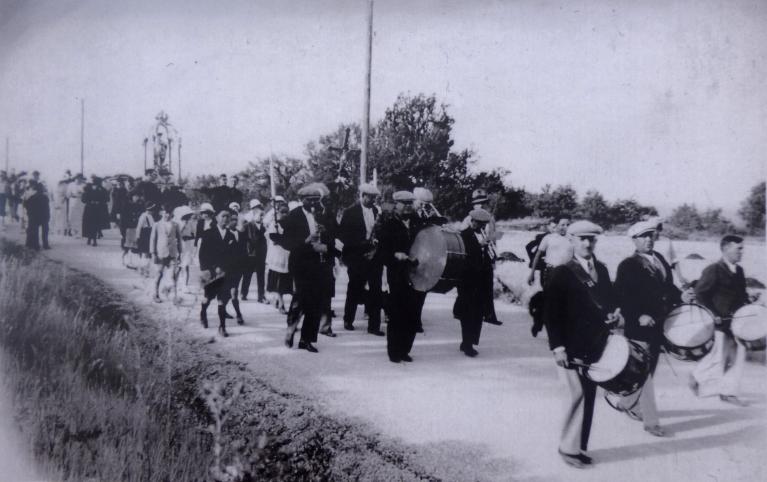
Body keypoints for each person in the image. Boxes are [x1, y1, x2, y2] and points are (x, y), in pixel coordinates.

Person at [543, 220, 621, 468]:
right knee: (575, 395)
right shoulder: (562, 272)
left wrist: (614, 314)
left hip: (595, 345)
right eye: (582, 239)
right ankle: (567, 448)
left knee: (588, 396)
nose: (588, 243)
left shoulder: (603, 270)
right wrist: (558, 347)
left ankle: (578, 447)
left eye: (592, 239)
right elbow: (551, 313)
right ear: (572, 241)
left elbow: (609, 301)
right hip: (569, 346)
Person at [612, 221, 691, 437]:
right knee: (644, 372)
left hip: (659, 324)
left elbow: (668, 288)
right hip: (639, 327)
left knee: (648, 370)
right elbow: (622, 296)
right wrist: (638, 315)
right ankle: (651, 421)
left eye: (651, 235)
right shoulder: (627, 265)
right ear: (634, 240)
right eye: (643, 236)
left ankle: (626, 402)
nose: (648, 239)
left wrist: (681, 296)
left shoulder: (661, 260)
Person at [690, 235, 751, 407]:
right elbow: (700, 293)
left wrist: (749, 302)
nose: (741, 252)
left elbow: (742, 295)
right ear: (725, 249)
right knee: (717, 356)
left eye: (742, 248)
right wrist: (713, 313)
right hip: (720, 322)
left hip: (738, 322)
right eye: (738, 248)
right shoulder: (714, 269)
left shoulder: (739, 271)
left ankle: (728, 392)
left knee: (738, 355)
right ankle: (695, 377)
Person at [280, 186, 332, 352]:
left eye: (317, 200)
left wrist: (326, 234)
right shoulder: (293, 216)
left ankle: (307, 340)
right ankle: (291, 327)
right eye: (310, 200)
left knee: (316, 302)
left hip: (319, 263)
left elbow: (332, 235)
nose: (314, 203)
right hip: (301, 264)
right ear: (302, 199)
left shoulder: (322, 214)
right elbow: (286, 242)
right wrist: (306, 241)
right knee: (301, 299)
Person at [377, 191, 423, 363]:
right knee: (397, 313)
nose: (407, 206)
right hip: (397, 274)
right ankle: (394, 352)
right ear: (396, 205)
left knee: (413, 313)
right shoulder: (388, 225)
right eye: (404, 203)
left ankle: (405, 350)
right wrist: (396, 255)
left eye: (410, 203)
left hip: (418, 274)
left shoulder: (418, 224)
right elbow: (381, 254)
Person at [339, 183, 385, 336]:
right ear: (362, 196)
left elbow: (380, 232)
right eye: (370, 197)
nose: (372, 200)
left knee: (376, 290)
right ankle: (348, 319)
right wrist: (362, 243)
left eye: (374, 198)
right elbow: (344, 236)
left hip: (374, 256)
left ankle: (374, 326)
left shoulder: (378, 212)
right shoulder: (350, 212)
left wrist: (376, 244)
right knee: (354, 288)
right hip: (356, 256)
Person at [453, 208, 495, 357]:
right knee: (468, 313)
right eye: (479, 224)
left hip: (480, 279)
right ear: (472, 221)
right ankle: (467, 344)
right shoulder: (464, 235)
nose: (482, 227)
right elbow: (466, 255)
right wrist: (481, 246)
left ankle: (468, 342)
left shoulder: (481, 234)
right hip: (467, 279)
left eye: (484, 224)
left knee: (477, 313)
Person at [462, 189, 502, 325]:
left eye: (483, 203)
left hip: (487, 255)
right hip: (474, 257)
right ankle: (461, 310)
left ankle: (490, 314)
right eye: (477, 203)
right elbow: (465, 240)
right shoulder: (468, 219)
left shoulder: (490, 218)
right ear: (473, 204)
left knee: (488, 284)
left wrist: (494, 256)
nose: (481, 205)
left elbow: (493, 236)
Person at [411, 187, 447, 333]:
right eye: (422, 203)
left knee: (422, 289)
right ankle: (411, 319)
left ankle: (416, 319)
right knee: (411, 291)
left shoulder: (425, 213)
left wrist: (437, 221)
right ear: (415, 200)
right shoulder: (410, 213)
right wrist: (427, 221)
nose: (424, 206)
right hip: (412, 254)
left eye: (427, 204)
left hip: (424, 255)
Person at [198, 210, 236, 336]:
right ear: (217, 218)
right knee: (208, 298)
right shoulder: (208, 233)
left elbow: (233, 256)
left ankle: (222, 327)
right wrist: (209, 270)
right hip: (212, 273)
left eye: (228, 216)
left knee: (222, 300)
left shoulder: (231, 235)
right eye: (223, 216)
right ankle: (203, 314)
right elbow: (202, 254)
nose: (225, 219)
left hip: (226, 273)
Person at [527, 215, 573, 288]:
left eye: (568, 225)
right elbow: (537, 256)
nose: (566, 227)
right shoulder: (548, 238)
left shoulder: (573, 239)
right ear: (557, 225)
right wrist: (532, 273)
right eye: (562, 225)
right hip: (551, 272)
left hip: (568, 273)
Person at [150, 205, 182, 303]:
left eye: (169, 213)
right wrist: (153, 253)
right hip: (161, 253)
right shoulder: (156, 224)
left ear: (172, 214)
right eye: (165, 212)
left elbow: (179, 240)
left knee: (173, 275)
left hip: (172, 253)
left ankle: (174, 296)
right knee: (159, 274)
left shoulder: (175, 225)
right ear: (161, 213)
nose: (167, 215)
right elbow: (153, 239)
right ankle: (155, 294)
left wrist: (180, 252)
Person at [265, 197, 292, 314]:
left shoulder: (291, 225)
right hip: (277, 254)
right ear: (278, 213)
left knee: (286, 280)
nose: (285, 214)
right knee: (278, 280)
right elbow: (274, 239)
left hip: (287, 254)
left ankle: (279, 299)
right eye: (282, 212)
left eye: (287, 212)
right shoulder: (274, 224)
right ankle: (281, 303)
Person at [241, 199, 268, 303]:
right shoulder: (248, 225)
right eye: (259, 215)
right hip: (250, 254)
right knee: (247, 274)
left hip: (261, 254)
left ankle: (261, 296)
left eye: (262, 215)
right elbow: (243, 239)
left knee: (261, 276)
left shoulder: (264, 227)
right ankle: (243, 293)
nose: (261, 217)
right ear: (254, 214)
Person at [224, 209, 247, 325]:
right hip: (227, 268)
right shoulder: (224, 234)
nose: (234, 222)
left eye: (235, 220)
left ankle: (236, 313)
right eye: (231, 219)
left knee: (233, 292)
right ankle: (238, 314)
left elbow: (244, 251)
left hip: (238, 268)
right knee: (231, 293)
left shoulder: (241, 233)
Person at [82, 176, 109, 246]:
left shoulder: (102, 189)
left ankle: (94, 240)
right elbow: (83, 199)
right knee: (89, 224)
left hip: (97, 209)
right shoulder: (87, 188)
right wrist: (89, 201)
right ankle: (89, 238)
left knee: (95, 224)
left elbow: (107, 199)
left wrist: (100, 202)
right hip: (89, 208)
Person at [23, 182, 50, 250]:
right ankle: (45, 245)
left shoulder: (32, 197)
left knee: (34, 230)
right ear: (41, 189)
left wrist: (30, 213)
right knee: (45, 231)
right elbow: (47, 208)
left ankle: (35, 245)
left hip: (34, 216)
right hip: (43, 217)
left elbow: (25, 205)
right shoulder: (45, 197)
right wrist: (48, 216)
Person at [136, 202, 157, 277]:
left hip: (150, 235)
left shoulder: (150, 216)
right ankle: (143, 269)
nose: (153, 211)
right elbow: (139, 227)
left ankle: (146, 270)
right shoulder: (143, 216)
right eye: (152, 209)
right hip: (145, 236)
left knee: (149, 254)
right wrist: (138, 237)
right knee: (145, 254)